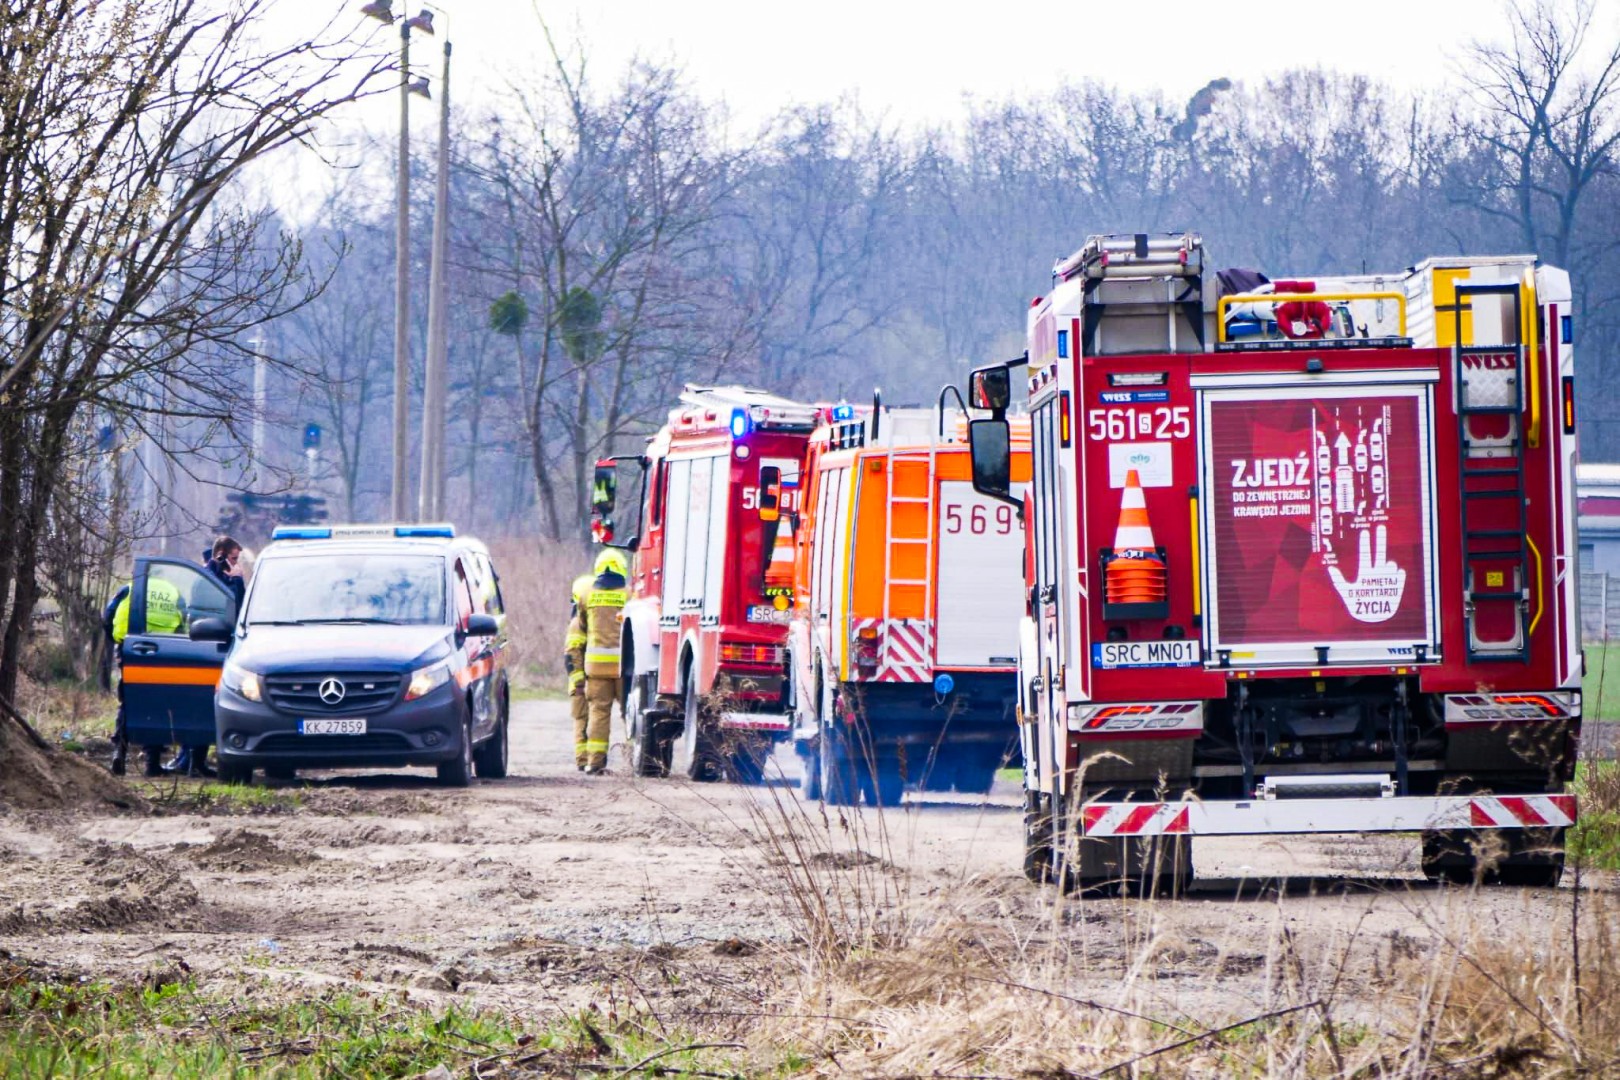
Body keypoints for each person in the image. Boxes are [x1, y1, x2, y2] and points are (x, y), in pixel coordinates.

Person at [109, 574, 186, 777]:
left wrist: (117, 642)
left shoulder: (129, 588)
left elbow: (108, 616)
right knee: (158, 704)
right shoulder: (172, 591)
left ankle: (119, 752)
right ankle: (152, 763)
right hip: (163, 652)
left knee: (128, 702)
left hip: (130, 650)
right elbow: (184, 621)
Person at [577, 548, 629, 775]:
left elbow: (581, 627)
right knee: (631, 713)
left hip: (596, 668)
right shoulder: (630, 595)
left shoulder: (587, 595)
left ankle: (595, 762)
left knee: (598, 713)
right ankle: (637, 761)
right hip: (624, 668)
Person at [564, 568, 596, 771]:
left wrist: (577, 681)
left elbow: (571, 654)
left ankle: (585, 760)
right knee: (584, 721)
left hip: (583, 681)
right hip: (584, 681)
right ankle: (583, 760)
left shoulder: (577, 623)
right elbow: (572, 654)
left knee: (583, 721)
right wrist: (579, 681)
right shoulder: (583, 623)